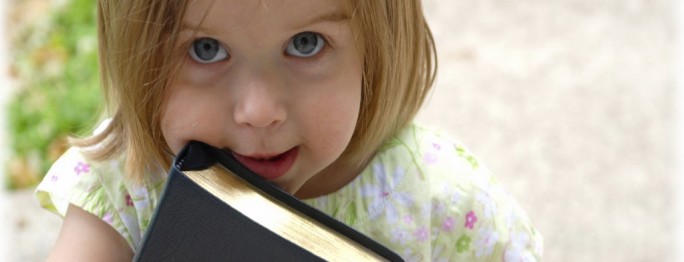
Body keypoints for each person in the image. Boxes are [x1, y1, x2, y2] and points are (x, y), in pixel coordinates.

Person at [36, 0, 543, 260]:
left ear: (377, 47)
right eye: (205, 49)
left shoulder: (439, 198)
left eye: (305, 43)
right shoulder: (124, 188)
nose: (260, 110)